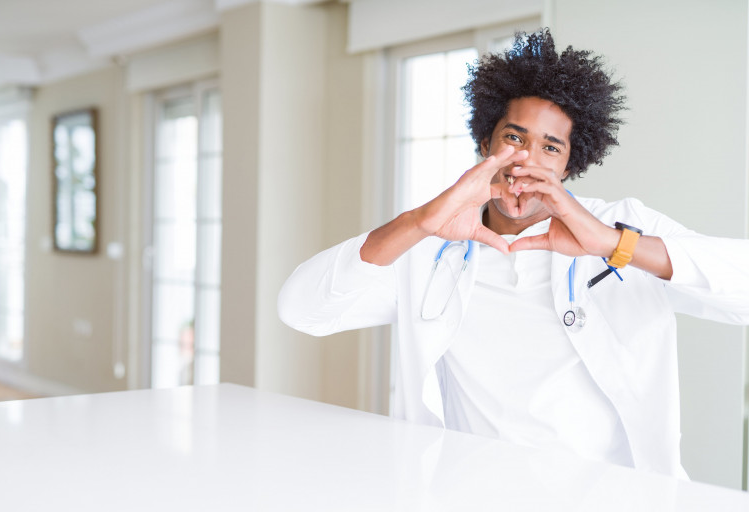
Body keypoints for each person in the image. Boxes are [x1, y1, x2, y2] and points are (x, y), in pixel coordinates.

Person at [277, 29, 749, 478]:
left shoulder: (622, 225)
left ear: (570, 163)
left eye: (550, 147)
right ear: (486, 144)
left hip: (615, 494)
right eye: (515, 138)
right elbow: (302, 310)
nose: (527, 159)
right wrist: (419, 222)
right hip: (474, 492)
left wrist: (609, 243)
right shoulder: (431, 246)